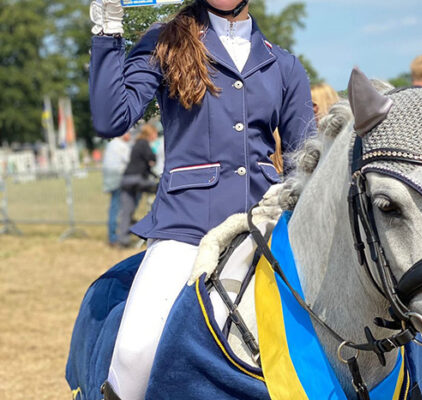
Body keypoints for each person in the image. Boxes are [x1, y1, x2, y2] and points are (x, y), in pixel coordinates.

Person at [88, 0, 315, 398]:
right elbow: (111, 118)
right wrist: (108, 31)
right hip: (186, 226)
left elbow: (303, 159)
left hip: (263, 229)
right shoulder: (165, 42)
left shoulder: (283, 64)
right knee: (135, 351)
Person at [117, 124, 158, 248]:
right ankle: (151, 225)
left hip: (126, 179)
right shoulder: (143, 143)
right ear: (150, 134)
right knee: (160, 187)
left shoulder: (136, 143)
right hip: (136, 179)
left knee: (127, 211)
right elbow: (151, 158)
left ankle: (123, 240)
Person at [101, 129, 132, 246]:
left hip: (111, 180)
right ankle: (115, 237)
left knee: (113, 208)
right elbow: (130, 160)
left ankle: (113, 235)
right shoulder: (122, 146)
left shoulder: (111, 144)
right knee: (119, 208)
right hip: (119, 180)